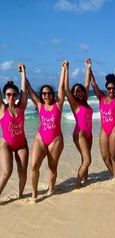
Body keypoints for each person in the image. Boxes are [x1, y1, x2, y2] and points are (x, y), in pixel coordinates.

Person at [26, 61, 66, 200]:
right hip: (40, 138)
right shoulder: (39, 105)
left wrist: (64, 69)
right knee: (34, 166)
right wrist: (23, 73)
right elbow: (29, 90)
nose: (47, 95)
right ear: (41, 95)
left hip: (56, 139)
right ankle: (34, 194)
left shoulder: (58, 105)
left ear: (52, 94)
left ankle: (50, 189)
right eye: (44, 93)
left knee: (52, 166)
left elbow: (61, 87)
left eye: (49, 93)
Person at [90, 58, 115, 178]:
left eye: (113, 88)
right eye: (109, 88)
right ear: (106, 89)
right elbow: (93, 83)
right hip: (104, 129)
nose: (111, 90)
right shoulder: (101, 98)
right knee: (105, 157)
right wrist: (89, 68)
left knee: (113, 156)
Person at [0, 64, 28, 198]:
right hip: (6, 144)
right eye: (8, 94)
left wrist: (23, 73)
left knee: (22, 171)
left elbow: (24, 90)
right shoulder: (2, 109)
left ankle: (21, 195)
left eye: (14, 94)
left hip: (21, 144)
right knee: (7, 172)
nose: (11, 97)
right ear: (4, 95)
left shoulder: (21, 107)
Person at [64, 59, 93, 189]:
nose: (80, 92)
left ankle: (85, 180)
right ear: (73, 93)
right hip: (79, 133)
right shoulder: (74, 104)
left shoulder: (85, 101)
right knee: (87, 160)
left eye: (81, 91)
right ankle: (77, 185)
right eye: (77, 91)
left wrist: (88, 67)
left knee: (84, 159)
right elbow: (66, 89)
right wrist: (66, 70)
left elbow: (87, 84)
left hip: (89, 134)